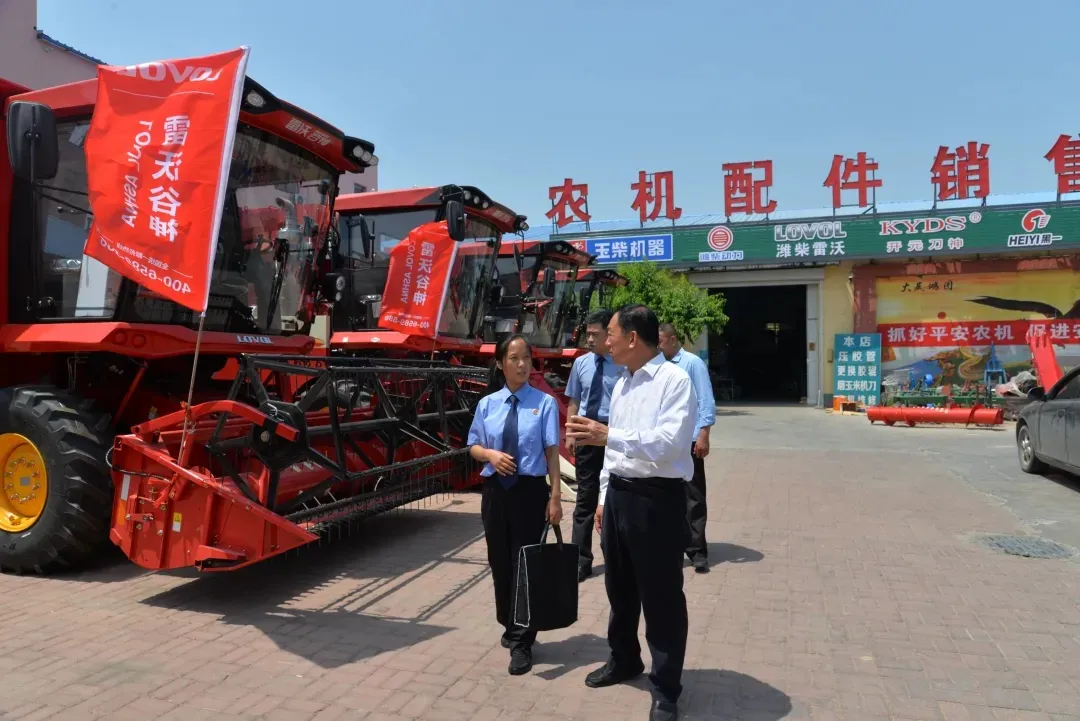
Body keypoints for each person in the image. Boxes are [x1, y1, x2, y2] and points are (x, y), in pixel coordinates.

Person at [566, 305, 697, 721]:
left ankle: (665, 689)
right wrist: (604, 498)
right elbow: (613, 455)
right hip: (620, 496)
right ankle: (624, 658)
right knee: (619, 590)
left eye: (611, 334)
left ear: (633, 338)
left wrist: (609, 434)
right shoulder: (623, 381)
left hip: (657, 499)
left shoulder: (675, 381)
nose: (606, 342)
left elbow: (669, 444)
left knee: (661, 597)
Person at [467, 334, 563, 677]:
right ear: (500, 363)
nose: (522, 365)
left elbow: (552, 453)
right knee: (500, 562)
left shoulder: (544, 403)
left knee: (525, 563)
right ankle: (509, 623)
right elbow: (473, 446)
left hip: (529, 492)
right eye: (514, 358)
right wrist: (490, 454)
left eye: (527, 358)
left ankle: (523, 641)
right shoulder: (487, 405)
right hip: (495, 492)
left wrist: (555, 497)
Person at [564, 308, 625, 581]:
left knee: (614, 498)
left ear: (608, 334)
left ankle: (617, 558)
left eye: (595, 334)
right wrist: (570, 433)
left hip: (614, 436)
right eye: (587, 334)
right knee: (585, 500)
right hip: (586, 436)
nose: (589, 339)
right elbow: (574, 400)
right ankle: (580, 560)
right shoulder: (581, 364)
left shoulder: (622, 363)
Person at [658, 322, 716, 573]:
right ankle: (672, 544)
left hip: (690, 441)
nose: (657, 346)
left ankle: (697, 550)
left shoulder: (692, 363)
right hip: (666, 441)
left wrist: (704, 434)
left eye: (660, 341)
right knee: (668, 495)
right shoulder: (658, 366)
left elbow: (706, 399)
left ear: (672, 339)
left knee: (694, 496)